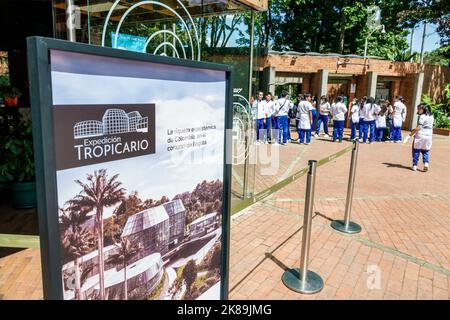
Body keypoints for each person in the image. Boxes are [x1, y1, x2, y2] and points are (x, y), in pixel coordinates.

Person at [403, 104, 434, 171]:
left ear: (423, 109)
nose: (418, 110)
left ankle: (414, 165)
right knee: (425, 151)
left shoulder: (422, 116)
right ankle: (426, 163)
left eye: (419, 109)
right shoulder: (431, 116)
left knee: (416, 150)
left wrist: (409, 135)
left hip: (421, 135)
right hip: (428, 136)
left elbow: (419, 127)